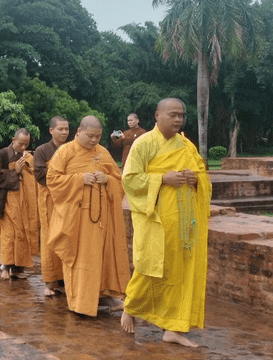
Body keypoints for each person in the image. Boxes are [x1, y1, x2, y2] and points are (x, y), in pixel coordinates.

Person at [120, 98, 211, 348]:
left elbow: (203, 175)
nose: (178, 120)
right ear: (157, 116)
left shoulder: (186, 144)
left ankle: (173, 327)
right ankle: (131, 306)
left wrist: (195, 179)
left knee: (180, 273)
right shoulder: (144, 144)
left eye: (181, 115)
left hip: (183, 223)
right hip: (155, 220)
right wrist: (162, 178)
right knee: (150, 267)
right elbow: (129, 180)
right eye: (173, 115)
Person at [47, 115, 130, 317]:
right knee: (79, 259)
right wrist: (79, 179)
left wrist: (106, 180)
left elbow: (120, 182)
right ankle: (80, 302)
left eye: (98, 137)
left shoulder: (103, 152)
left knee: (101, 259)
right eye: (90, 136)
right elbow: (52, 180)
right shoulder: (65, 152)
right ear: (78, 132)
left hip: (101, 219)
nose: (94, 140)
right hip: (76, 219)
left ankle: (103, 294)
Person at [0, 128, 38, 279]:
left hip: (25, 202)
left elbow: (33, 177)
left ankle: (18, 268)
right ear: (13, 140)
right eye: (20, 144)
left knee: (23, 232)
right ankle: (6, 265)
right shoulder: (3, 155)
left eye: (26, 144)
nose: (23, 148)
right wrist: (14, 172)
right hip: (8, 198)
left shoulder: (28, 157)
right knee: (9, 234)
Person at [34, 116, 70, 296]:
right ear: (51, 131)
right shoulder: (42, 150)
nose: (64, 132)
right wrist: (59, 172)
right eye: (60, 129)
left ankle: (63, 279)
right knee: (49, 238)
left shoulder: (71, 149)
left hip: (66, 200)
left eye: (66, 129)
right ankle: (49, 282)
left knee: (65, 236)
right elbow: (39, 174)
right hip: (48, 198)